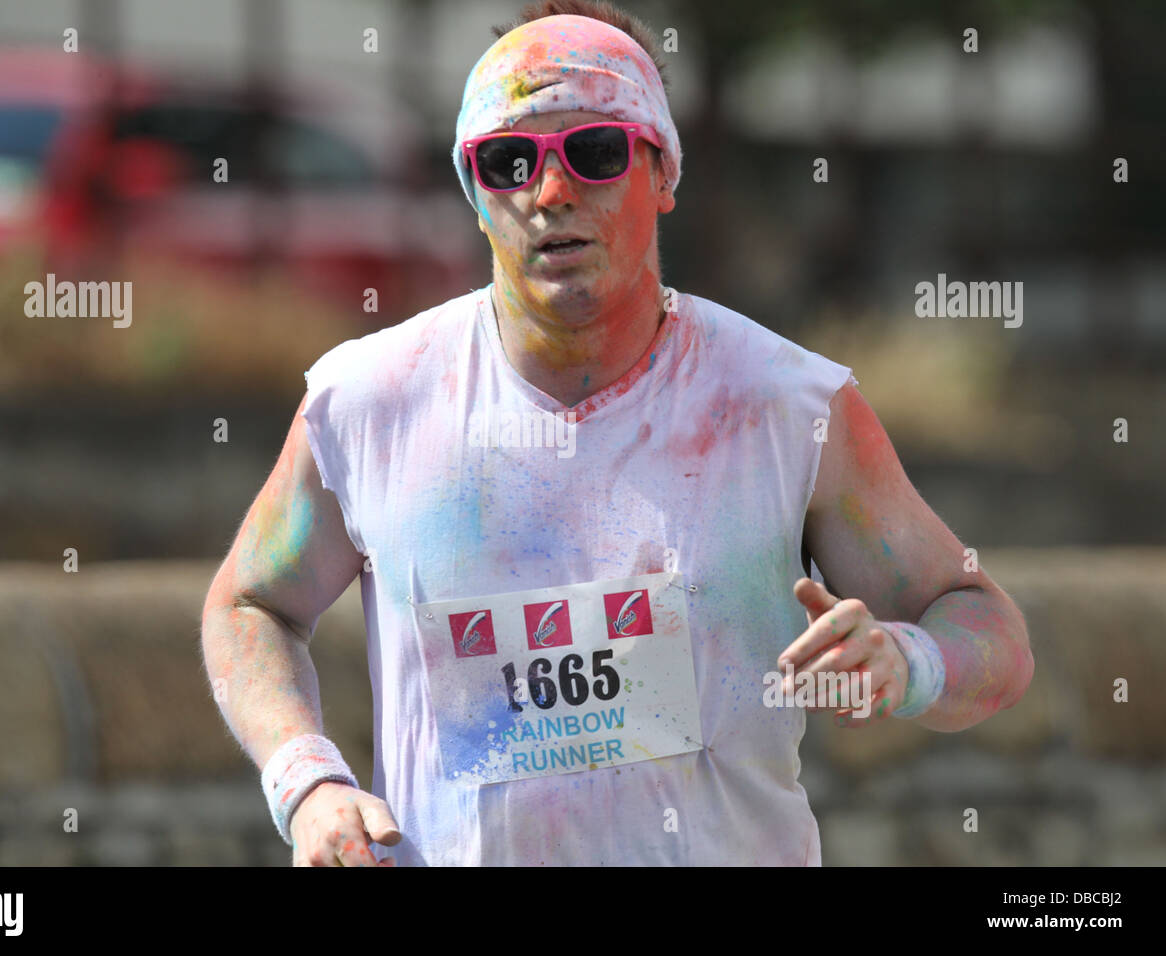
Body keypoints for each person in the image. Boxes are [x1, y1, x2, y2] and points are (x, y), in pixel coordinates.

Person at [200, 0, 1034, 866]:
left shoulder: (785, 407)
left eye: (594, 153)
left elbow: (989, 631)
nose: (549, 191)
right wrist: (306, 782)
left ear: (663, 173)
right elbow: (248, 603)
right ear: (473, 194)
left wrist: (907, 662)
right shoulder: (373, 401)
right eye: (507, 161)